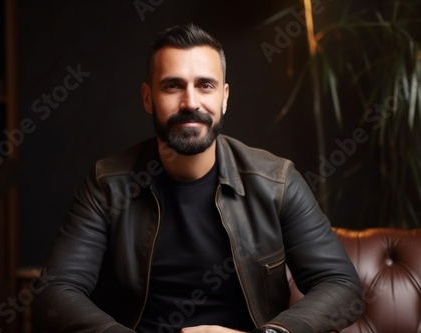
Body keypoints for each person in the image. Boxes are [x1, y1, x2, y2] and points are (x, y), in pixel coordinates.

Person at [32, 24, 364, 333]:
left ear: (224, 97)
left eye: (205, 85)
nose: (190, 102)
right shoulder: (107, 183)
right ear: (148, 98)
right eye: (172, 86)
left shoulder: (277, 180)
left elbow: (342, 286)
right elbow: (55, 292)